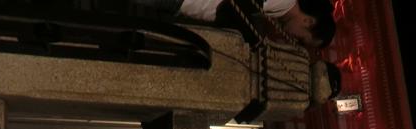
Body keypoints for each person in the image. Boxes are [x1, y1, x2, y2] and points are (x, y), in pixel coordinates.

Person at [132, 0, 335, 48]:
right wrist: (253, 39)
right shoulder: (282, 1)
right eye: (302, 39)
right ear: (308, 21)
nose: (294, 40)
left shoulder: (278, 10)